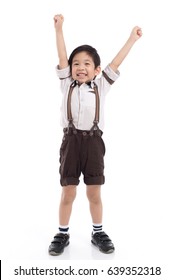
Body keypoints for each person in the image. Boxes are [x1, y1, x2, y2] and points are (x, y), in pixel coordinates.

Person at [48, 14, 142, 256]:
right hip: (70, 141)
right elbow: (61, 56)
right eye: (76, 63)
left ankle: (98, 232)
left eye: (87, 63)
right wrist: (59, 30)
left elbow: (116, 63)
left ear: (96, 70)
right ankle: (62, 233)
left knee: (94, 191)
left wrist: (131, 39)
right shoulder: (66, 83)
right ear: (71, 68)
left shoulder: (101, 86)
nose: (80, 67)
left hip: (93, 144)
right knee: (68, 190)